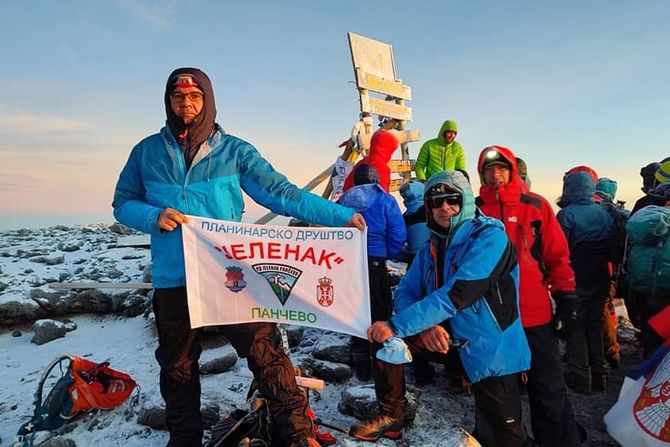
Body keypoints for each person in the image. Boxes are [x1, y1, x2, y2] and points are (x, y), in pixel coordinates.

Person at [112, 67, 365, 447]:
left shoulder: (234, 152)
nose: (186, 104)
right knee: (177, 367)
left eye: (195, 97)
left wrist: (341, 215)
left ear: (208, 101)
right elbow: (122, 203)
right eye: (178, 97)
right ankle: (184, 439)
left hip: (229, 274)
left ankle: (296, 433)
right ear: (168, 102)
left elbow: (281, 193)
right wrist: (152, 216)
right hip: (174, 278)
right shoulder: (146, 152)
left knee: (266, 354)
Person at [358, 170, 532, 446]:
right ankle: (393, 415)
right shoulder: (431, 246)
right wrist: (423, 326)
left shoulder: (491, 239)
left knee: (504, 434)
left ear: (466, 201)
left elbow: (458, 293)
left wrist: (398, 325)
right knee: (383, 340)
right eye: (436, 202)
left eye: (452, 199)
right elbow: (406, 291)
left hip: (489, 346)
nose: (444, 208)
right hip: (447, 339)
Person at [476, 146, 583, 446]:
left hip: (535, 312)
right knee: (496, 391)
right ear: (481, 174)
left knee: (548, 386)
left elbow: (557, 255)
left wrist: (566, 297)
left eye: (501, 168)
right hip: (493, 318)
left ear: (511, 170)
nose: (495, 175)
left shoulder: (536, 205)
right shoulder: (474, 210)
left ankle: (559, 441)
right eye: (488, 170)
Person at [339, 164, 406, 382]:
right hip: (375, 264)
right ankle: (382, 363)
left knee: (355, 313)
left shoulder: (343, 202)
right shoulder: (386, 200)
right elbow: (398, 233)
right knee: (380, 313)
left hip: (350, 264)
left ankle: (361, 367)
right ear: (376, 180)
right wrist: (388, 253)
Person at [557, 171, 614, 392]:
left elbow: (559, 249)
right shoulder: (603, 212)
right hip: (601, 275)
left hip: (577, 276)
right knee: (594, 324)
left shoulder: (567, 215)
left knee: (575, 327)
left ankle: (580, 378)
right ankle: (600, 374)